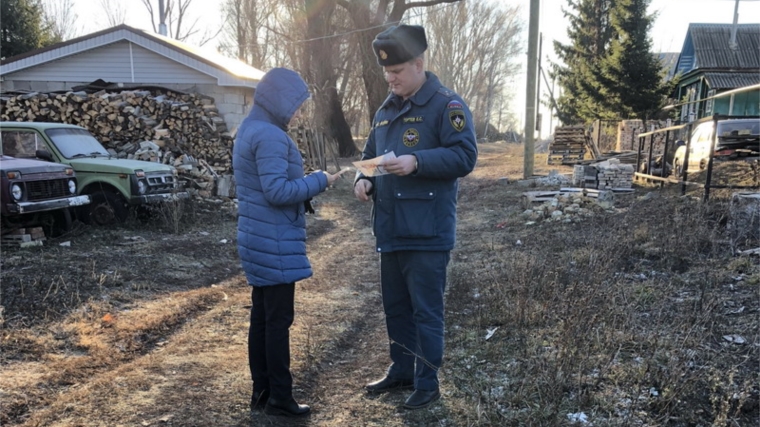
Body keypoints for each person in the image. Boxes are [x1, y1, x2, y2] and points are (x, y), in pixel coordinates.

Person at [354, 24, 478, 410]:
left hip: (427, 232)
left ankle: (427, 381)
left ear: (419, 64)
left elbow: (465, 156)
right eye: (387, 73)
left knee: (426, 310)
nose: (390, 79)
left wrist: (418, 160)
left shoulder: (446, 105)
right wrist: (363, 178)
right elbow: (372, 157)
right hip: (390, 230)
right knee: (395, 307)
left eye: (397, 72)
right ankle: (402, 369)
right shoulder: (384, 111)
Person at [233, 67, 340, 417]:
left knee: (263, 319)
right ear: (278, 100)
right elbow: (277, 190)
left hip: (257, 237)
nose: (298, 113)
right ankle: (281, 396)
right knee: (277, 321)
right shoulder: (271, 136)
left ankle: (262, 393)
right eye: (295, 105)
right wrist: (319, 180)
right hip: (274, 241)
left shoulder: (250, 129)